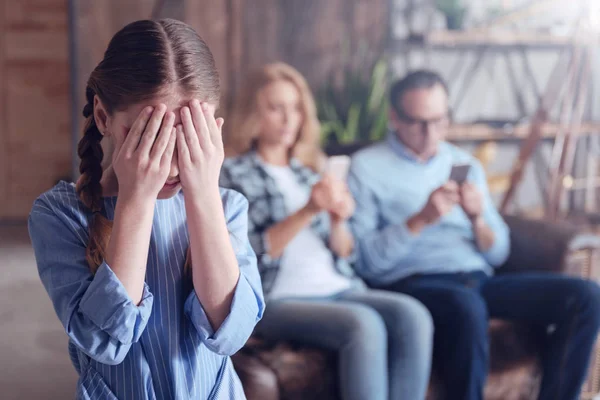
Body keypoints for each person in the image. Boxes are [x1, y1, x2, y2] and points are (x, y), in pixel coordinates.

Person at [28, 19, 264, 400]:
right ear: (103, 118)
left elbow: (230, 335)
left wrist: (203, 194)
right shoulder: (58, 215)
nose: (170, 165)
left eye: (188, 137)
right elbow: (106, 341)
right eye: (149, 136)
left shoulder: (227, 208)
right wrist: (136, 198)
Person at [348, 69, 600, 400]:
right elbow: (366, 262)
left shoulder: (462, 162)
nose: (430, 134)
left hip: (478, 279)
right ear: (394, 117)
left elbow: (499, 253)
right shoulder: (366, 167)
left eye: (439, 121)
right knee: (465, 306)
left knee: (585, 296)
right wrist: (419, 220)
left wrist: (478, 218)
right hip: (414, 283)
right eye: (418, 123)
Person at [220, 62, 433, 400]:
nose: (290, 119)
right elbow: (249, 253)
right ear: (252, 113)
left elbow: (344, 252)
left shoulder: (309, 170)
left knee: (414, 315)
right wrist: (308, 210)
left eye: (295, 108)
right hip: (278, 296)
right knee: (364, 325)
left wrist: (338, 219)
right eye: (276, 108)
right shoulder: (231, 174)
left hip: (337, 286)